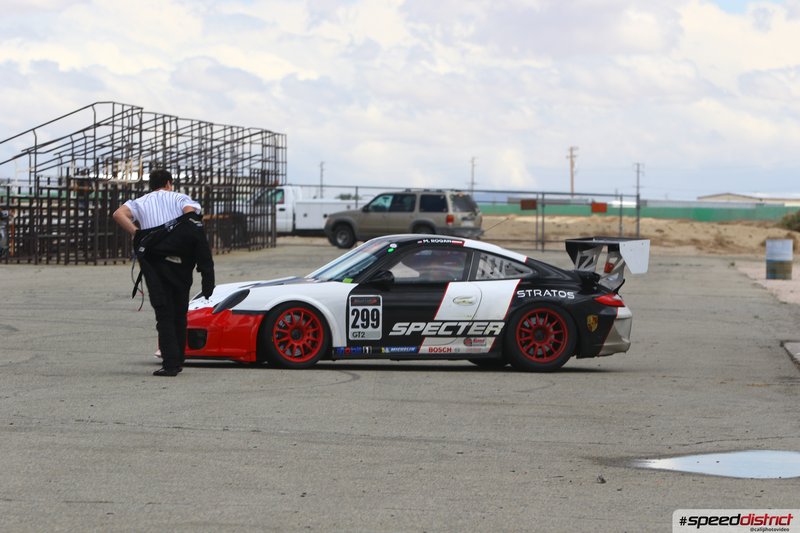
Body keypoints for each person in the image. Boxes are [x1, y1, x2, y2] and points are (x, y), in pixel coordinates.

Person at [113, 169, 215, 377]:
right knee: (180, 312)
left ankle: (170, 364)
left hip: (155, 266)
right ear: (169, 183)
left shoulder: (140, 202)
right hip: (181, 265)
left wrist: (138, 234)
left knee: (164, 314)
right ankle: (179, 359)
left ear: (151, 185)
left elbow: (118, 214)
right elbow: (191, 215)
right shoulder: (180, 198)